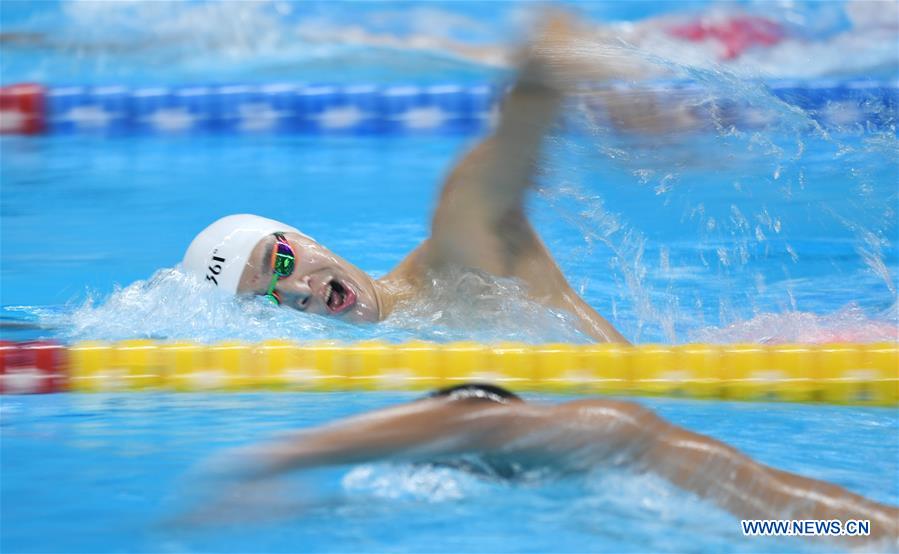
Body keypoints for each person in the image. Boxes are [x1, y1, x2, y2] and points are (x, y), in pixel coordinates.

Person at [182, 14, 629, 343]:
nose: (297, 291)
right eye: (270, 299)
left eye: (281, 262)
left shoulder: (454, 269)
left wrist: (538, 84)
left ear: (304, 238)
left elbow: (476, 184)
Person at [208, 383, 899, 545]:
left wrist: (278, 456)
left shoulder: (602, 430)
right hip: (813, 537)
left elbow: (471, 419)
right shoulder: (608, 480)